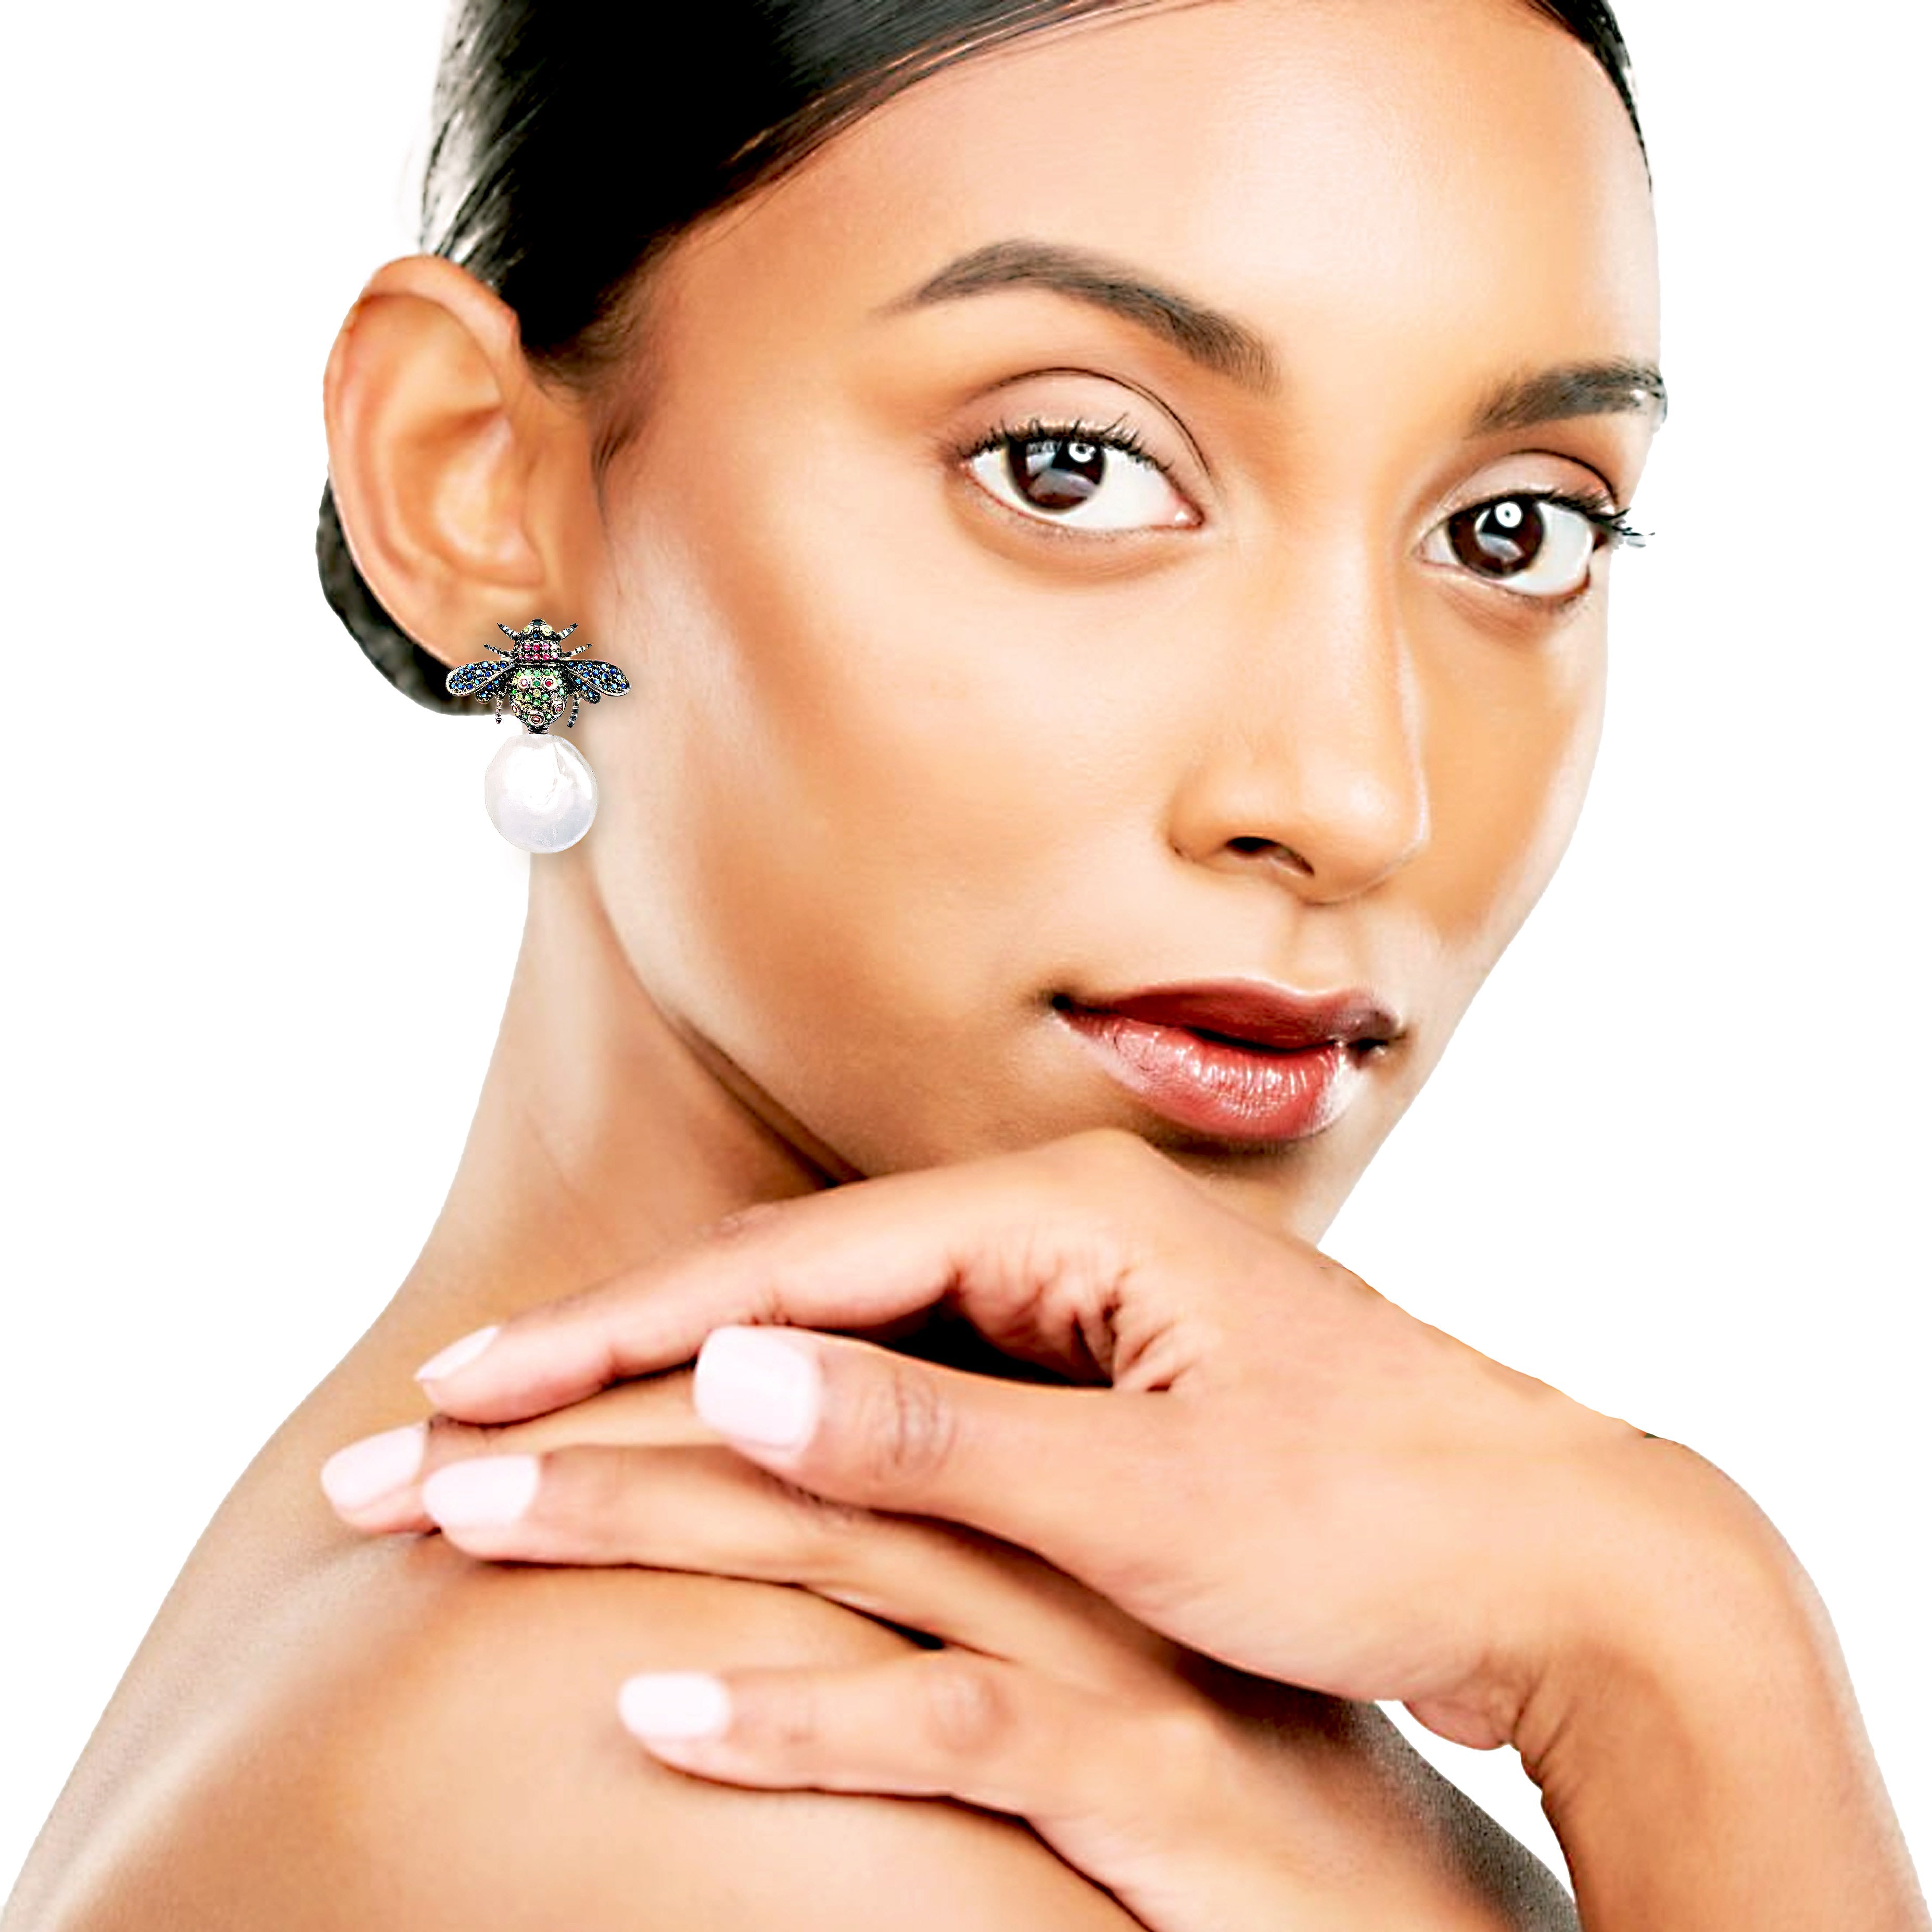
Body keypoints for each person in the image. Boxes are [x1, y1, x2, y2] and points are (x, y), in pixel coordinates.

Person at [4, 0, 1924, 1926]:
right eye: (1071, 466)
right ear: (476, 486)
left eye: (1515, 527)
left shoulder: (485, 1606)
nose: (1353, 794)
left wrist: (1650, 1618)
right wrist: (1699, 1678)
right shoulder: (762, 1782)